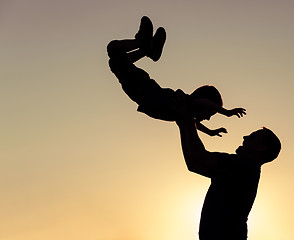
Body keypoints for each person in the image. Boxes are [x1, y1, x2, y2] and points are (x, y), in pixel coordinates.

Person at [107, 16, 246, 137]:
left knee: (115, 63)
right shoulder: (187, 102)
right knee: (113, 50)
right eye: (211, 112)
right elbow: (203, 103)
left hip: (140, 91)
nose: (209, 118)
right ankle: (144, 44)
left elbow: (196, 124)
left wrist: (210, 132)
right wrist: (226, 112)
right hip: (142, 89)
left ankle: (147, 50)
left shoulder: (185, 112)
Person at [173, 92, 281, 240]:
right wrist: (184, 124)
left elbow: (199, 157)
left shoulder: (242, 166)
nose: (245, 137)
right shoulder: (244, 169)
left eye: (253, 136)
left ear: (261, 148)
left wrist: (187, 120)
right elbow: (193, 164)